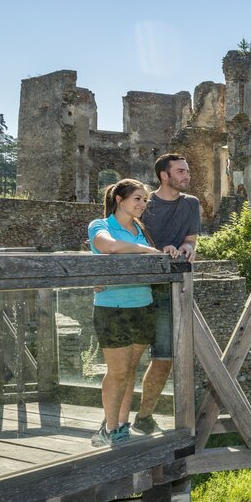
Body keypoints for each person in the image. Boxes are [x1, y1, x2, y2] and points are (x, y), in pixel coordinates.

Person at [88, 179, 178, 446]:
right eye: (137, 198)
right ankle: (108, 428)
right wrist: (142, 249)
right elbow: (108, 247)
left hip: (143, 306)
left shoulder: (141, 230)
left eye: (145, 199)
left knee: (129, 372)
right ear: (119, 199)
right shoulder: (100, 225)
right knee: (117, 372)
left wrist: (164, 252)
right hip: (112, 308)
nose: (142, 204)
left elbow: (153, 258)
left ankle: (121, 427)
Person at [134, 153, 201, 434]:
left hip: (169, 292)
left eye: (187, 170)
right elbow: (127, 239)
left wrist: (187, 248)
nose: (187, 175)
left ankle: (143, 417)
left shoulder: (191, 204)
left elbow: (190, 240)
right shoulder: (143, 205)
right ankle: (113, 421)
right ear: (165, 175)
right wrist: (159, 251)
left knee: (163, 360)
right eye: (181, 171)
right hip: (136, 289)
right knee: (129, 359)